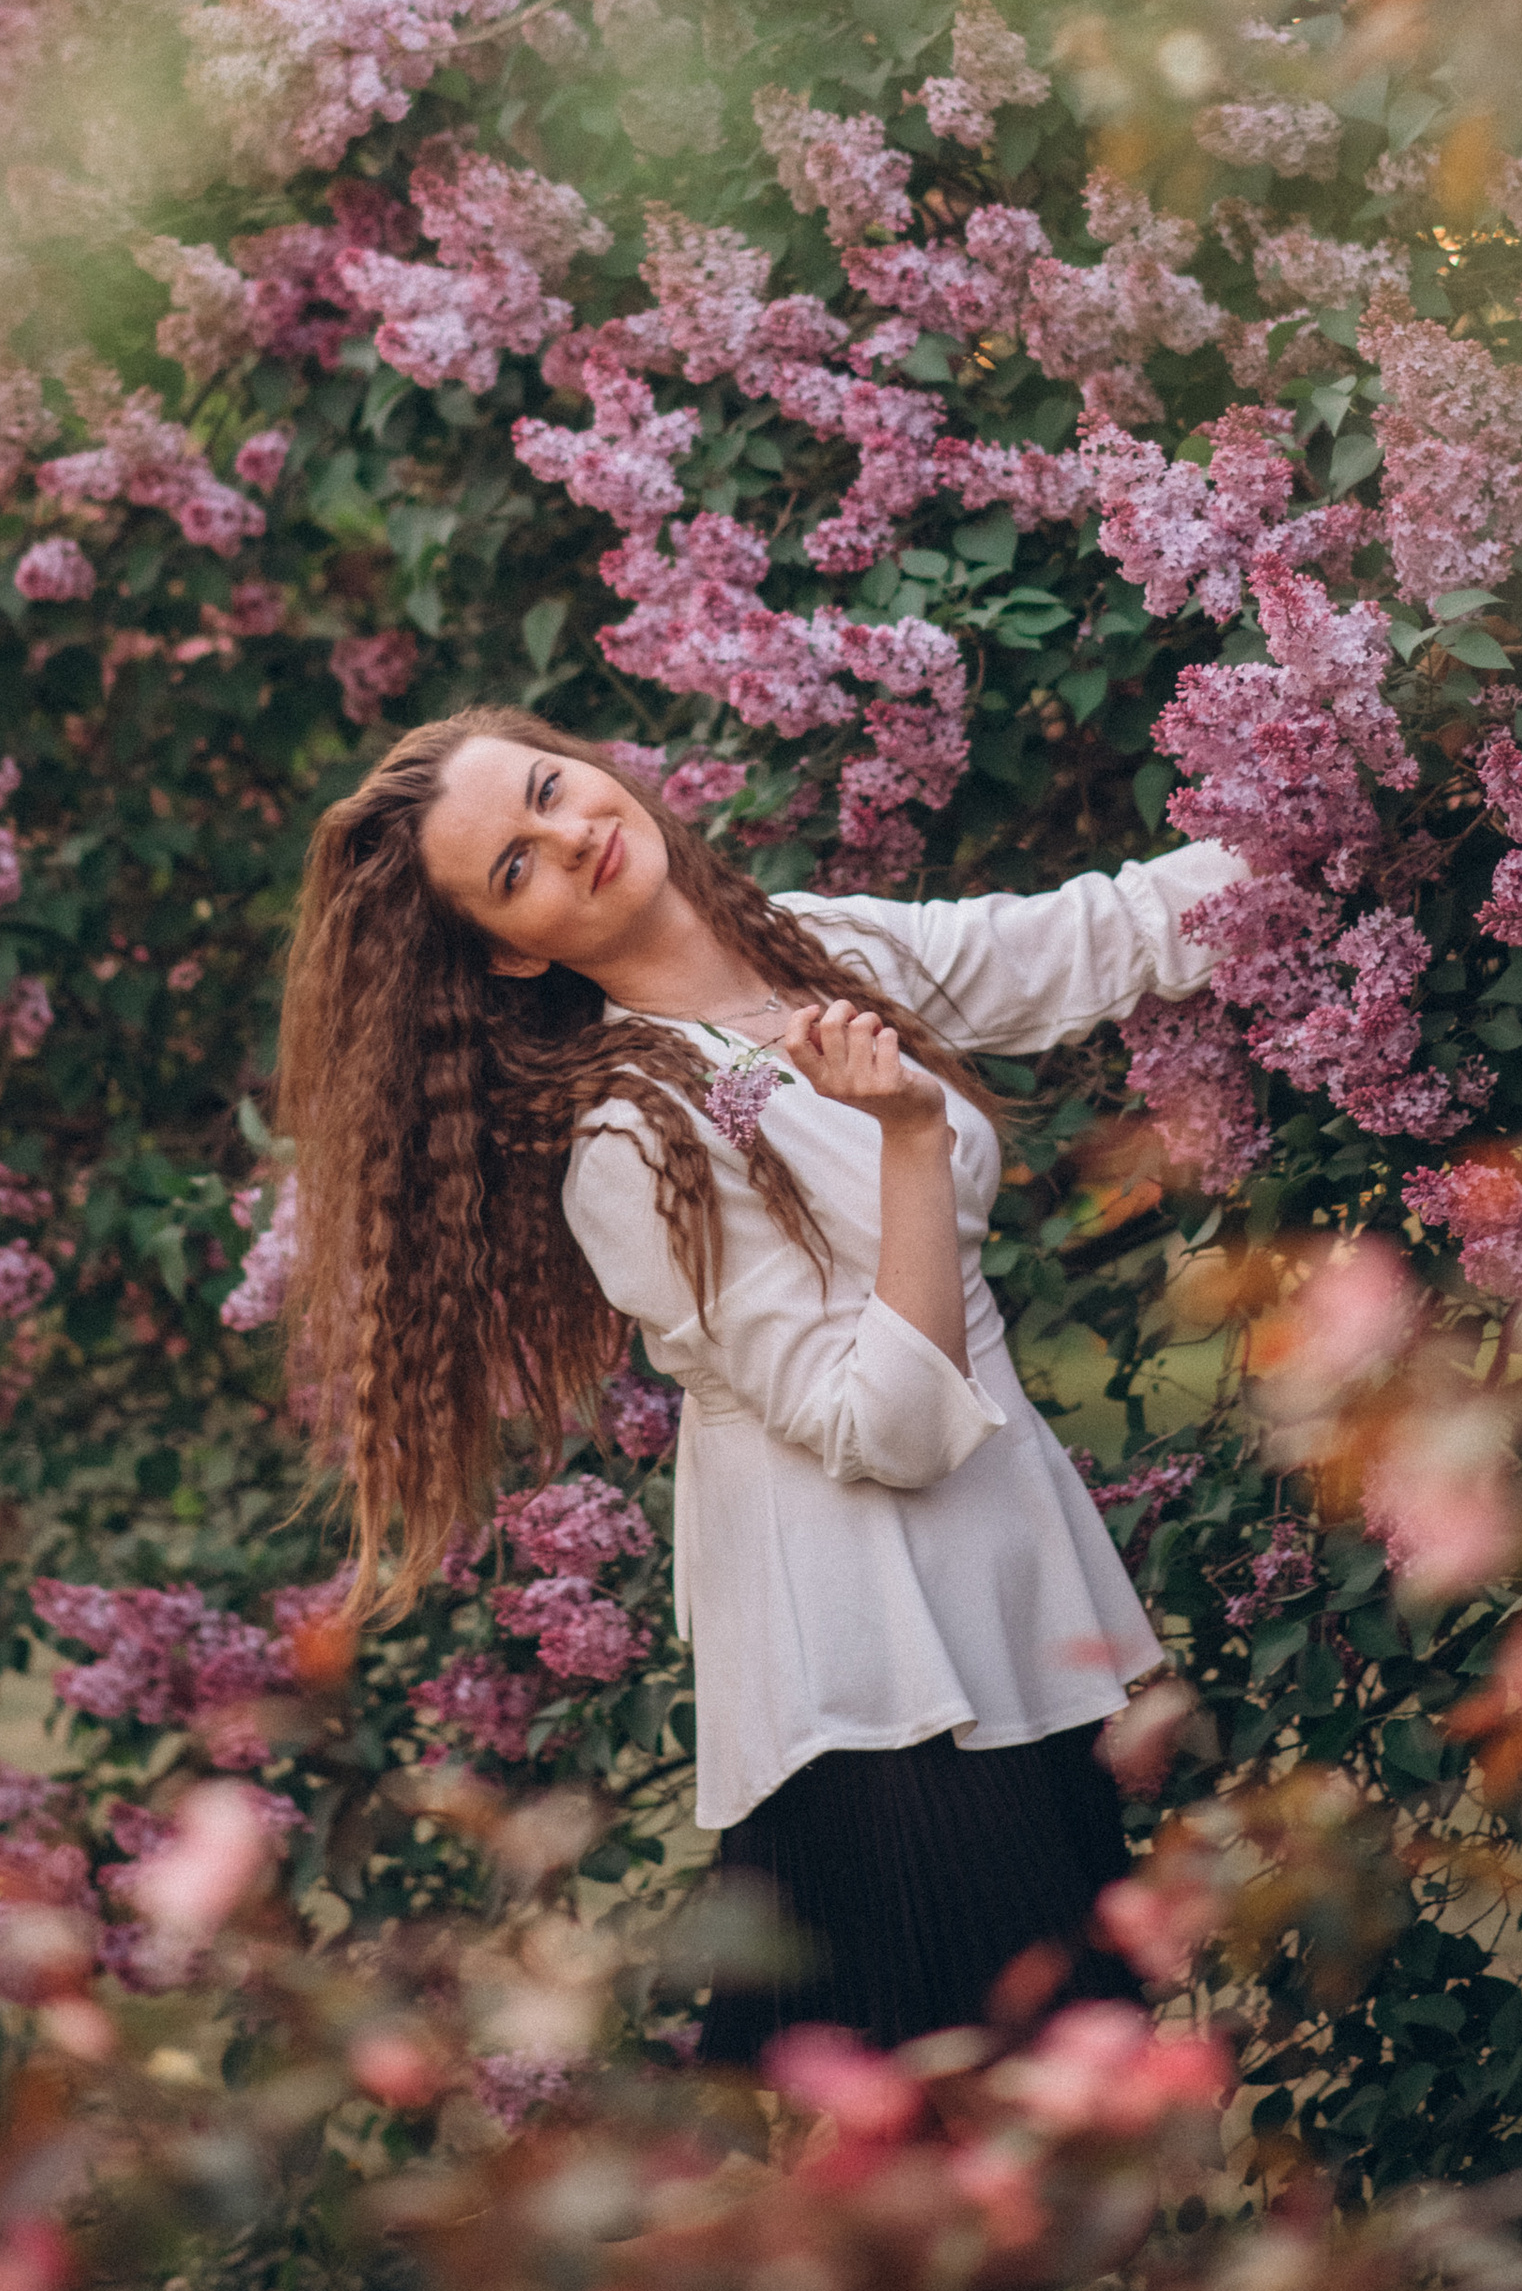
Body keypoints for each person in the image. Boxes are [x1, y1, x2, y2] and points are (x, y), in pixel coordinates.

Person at [274, 702, 1241, 2057]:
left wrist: (1327, 819)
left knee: (1031, 2161)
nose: (571, 836)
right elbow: (883, 1429)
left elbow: (1091, 938)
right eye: (516, 866)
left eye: (554, 789)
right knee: (978, 2166)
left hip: (990, 1623)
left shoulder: (812, 953)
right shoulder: (633, 1145)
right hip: (876, 1683)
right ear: (508, 948)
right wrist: (908, 1136)